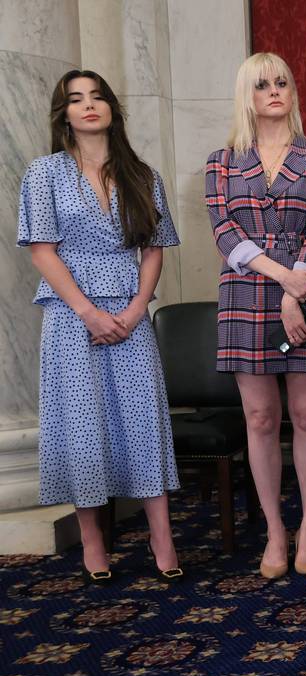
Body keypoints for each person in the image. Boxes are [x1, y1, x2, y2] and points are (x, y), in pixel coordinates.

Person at [18, 70, 183, 585]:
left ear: (112, 108)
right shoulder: (43, 173)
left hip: (131, 311)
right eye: (75, 99)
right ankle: (93, 540)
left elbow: (153, 250)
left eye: (97, 97)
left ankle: (162, 536)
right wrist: (88, 311)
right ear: (63, 113)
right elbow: (42, 250)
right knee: (82, 423)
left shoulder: (143, 174)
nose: (88, 106)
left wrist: (137, 309)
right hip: (71, 315)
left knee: (143, 420)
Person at [205, 52, 306, 579]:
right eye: (262, 85)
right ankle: (274, 531)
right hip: (245, 294)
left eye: (282, 82)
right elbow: (225, 234)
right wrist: (282, 280)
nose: (274, 91)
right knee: (261, 419)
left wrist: (295, 291)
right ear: (248, 95)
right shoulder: (221, 161)